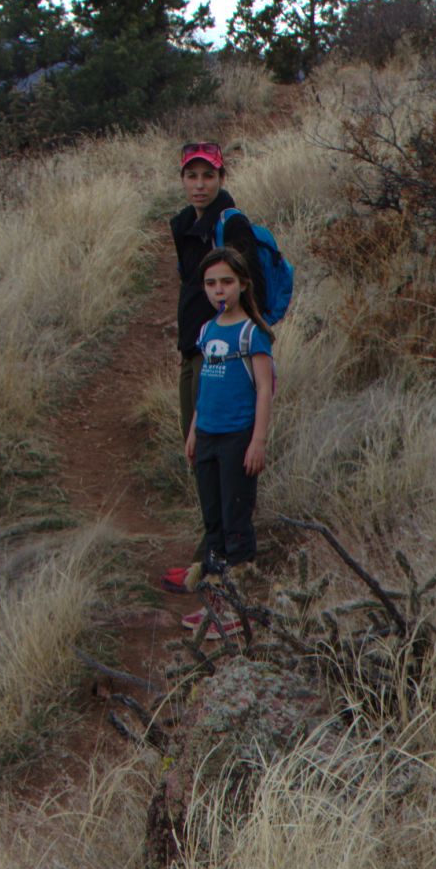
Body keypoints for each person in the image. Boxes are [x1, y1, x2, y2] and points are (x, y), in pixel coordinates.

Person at [165, 141, 267, 592]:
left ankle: (227, 560)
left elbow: (251, 288)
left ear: (221, 179)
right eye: (192, 176)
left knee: (228, 461)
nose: (200, 184)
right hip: (199, 349)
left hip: (226, 356)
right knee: (199, 446)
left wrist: (234, 334)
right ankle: (211, 553)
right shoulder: (188, 224)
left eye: (208, 176)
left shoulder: (231, 223)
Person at [182, 244, 275, 629]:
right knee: (214, 522)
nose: (218, 290)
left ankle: (241, 606)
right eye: (210, 283)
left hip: (238, 438)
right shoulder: (206, 330)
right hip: (207, 437)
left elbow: (266, 390)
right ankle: (217, 604)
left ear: (242, 284)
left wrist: (258, 441)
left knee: (237, 522)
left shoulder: (253, 334)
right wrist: (192, 431)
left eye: (226, 282)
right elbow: (204, 385)